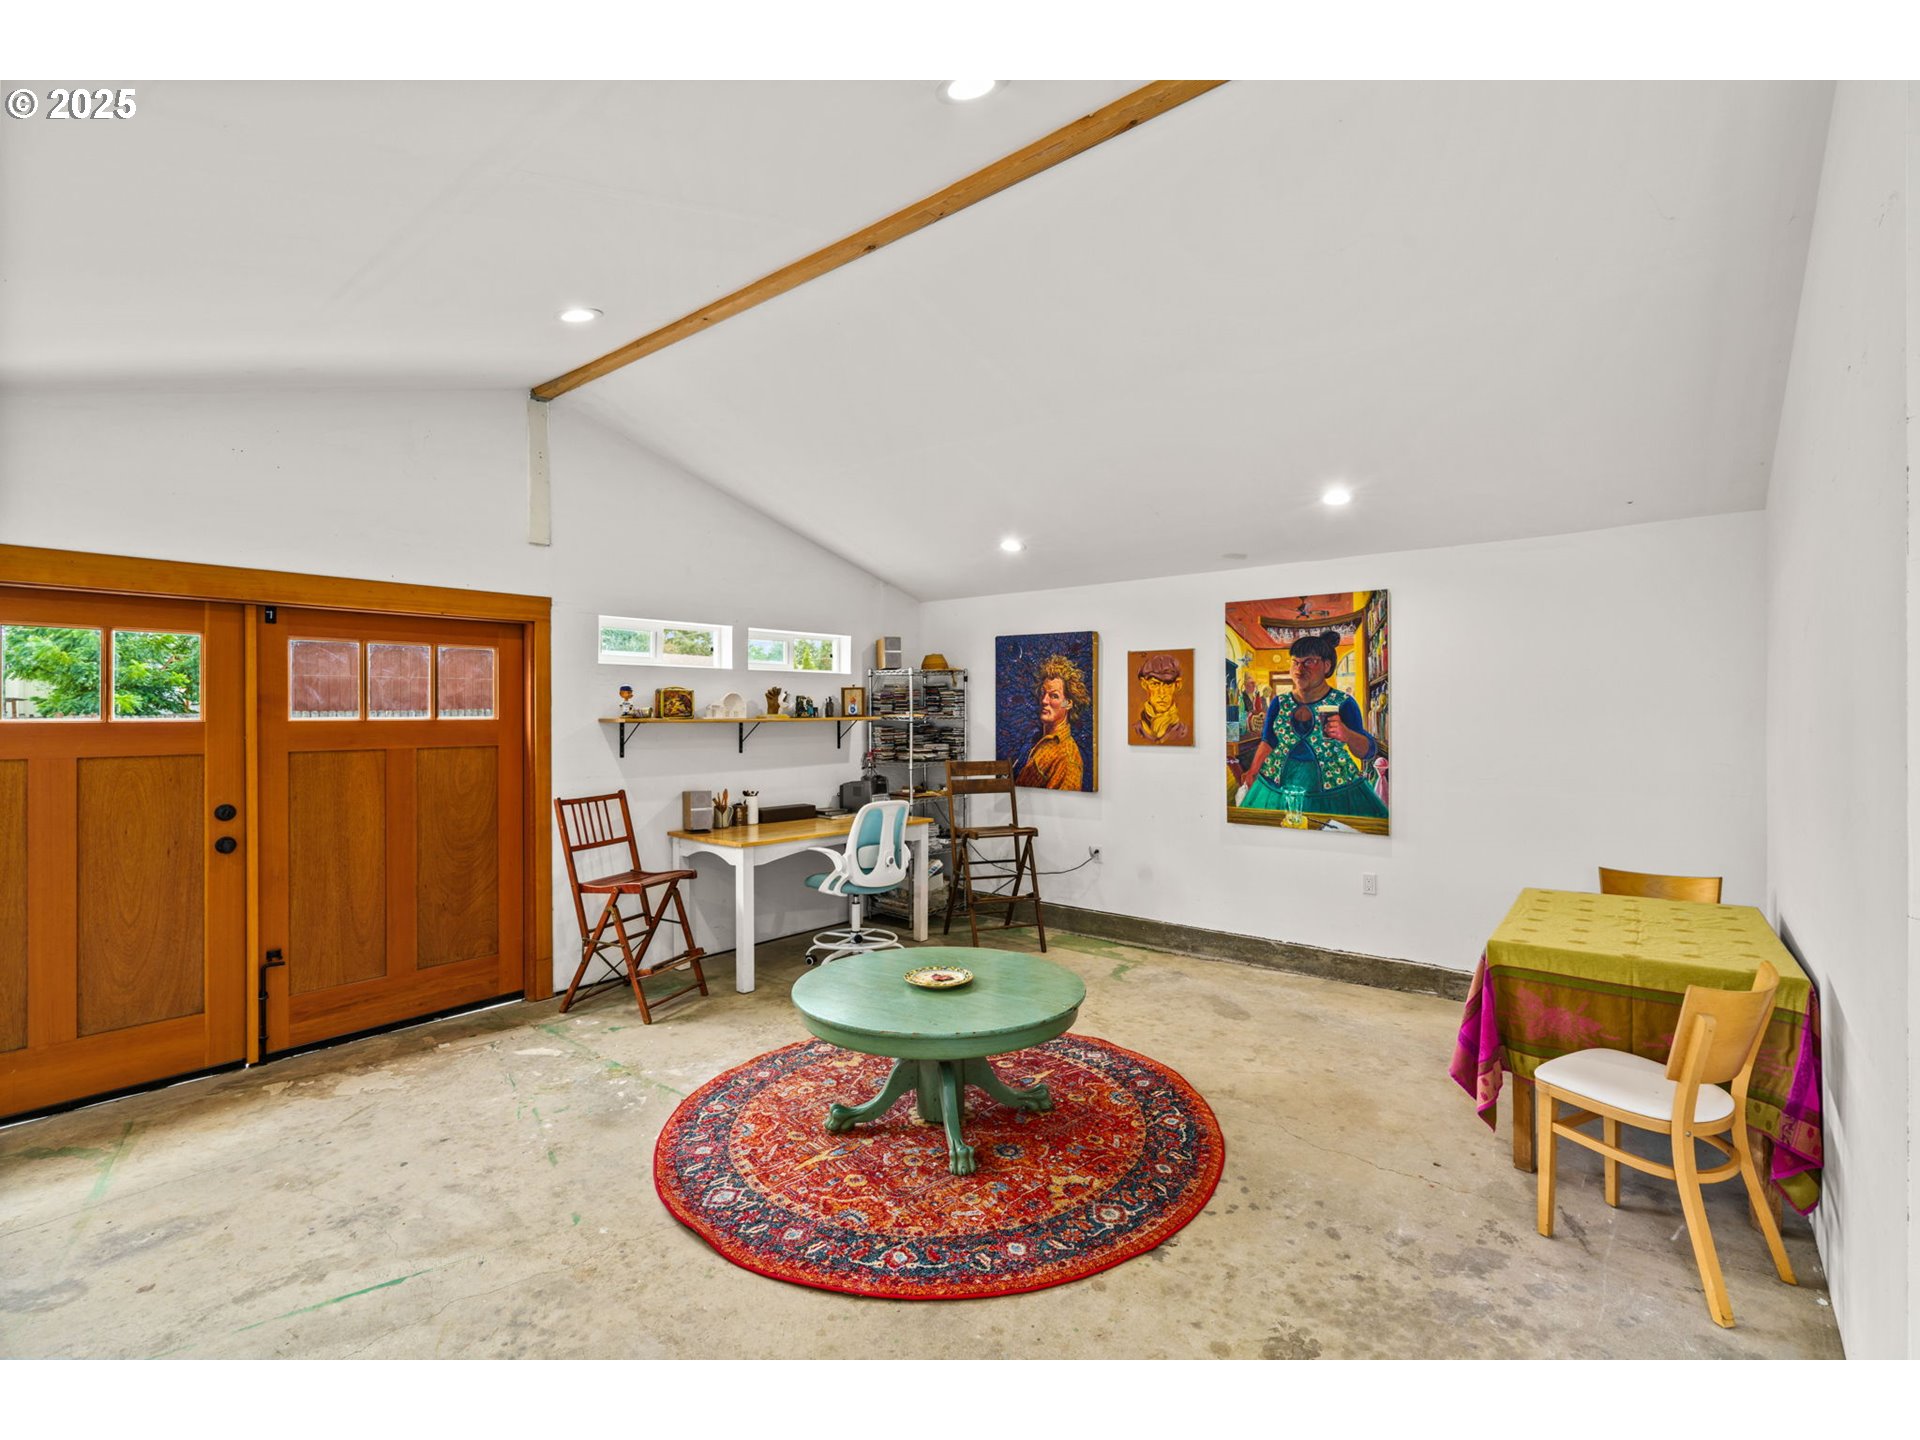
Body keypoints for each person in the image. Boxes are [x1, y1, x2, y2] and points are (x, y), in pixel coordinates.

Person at [1234, 631, 1386, 818]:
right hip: (1276, 787)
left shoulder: (1344, 702)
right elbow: (1268, 741)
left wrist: (1347, 734)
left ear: (1327, 665)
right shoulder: (1279, 702)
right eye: (1295, 662)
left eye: (1309, 662)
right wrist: (1253, 771)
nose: (1299, 669)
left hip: (1334, 789)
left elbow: (1368, 751)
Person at [1015, 653, 1089, 789]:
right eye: (1043, 693)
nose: (1044, 700)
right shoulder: (1035, 741)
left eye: (1054, 696)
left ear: (1068, 704)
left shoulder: (1067, 758)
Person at [1134, 652, 1191, 743]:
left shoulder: (1185, 732)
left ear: (1177, 685)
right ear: (1144, 684)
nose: (1162, 693)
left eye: (1168, 684)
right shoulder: (1135, 731)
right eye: (1155, 684)